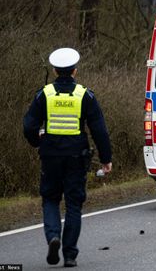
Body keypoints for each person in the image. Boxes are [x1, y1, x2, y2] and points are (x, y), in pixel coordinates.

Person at [23, 48, 112, 267]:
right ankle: (70, 254)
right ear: (74, 71)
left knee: (51, 199)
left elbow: (28, 126)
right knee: (73, 204)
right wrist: (105, 158)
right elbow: (99, 129)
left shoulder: (44, 94)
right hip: (76, 157)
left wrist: (38, 140)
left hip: (50, 155)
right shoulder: (85, 95)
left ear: (54, 71)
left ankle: (53, 236)